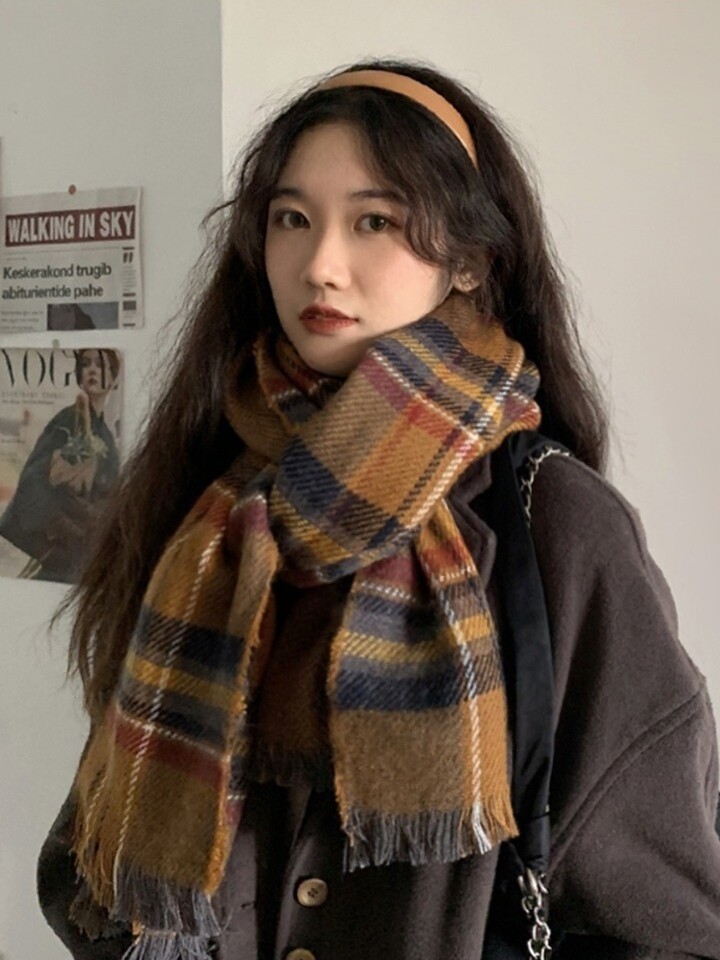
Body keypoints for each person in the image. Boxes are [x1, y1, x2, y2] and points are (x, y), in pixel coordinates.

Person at [36, 60, 720, 960]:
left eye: (375, 221)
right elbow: (87, 868)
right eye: (291, 219)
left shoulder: (556, 522)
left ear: (470, 261)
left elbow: (671, 922)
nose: (321, 264)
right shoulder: (206, 505)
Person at [0, 348, 120, 582]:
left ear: (113, 378)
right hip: (39, 537)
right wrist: (66, 528)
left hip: (77, 541)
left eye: (100, 365)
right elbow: (32, 480)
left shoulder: (105, 435)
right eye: (86, 364)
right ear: (79, 375)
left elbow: (107, 494)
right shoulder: (67, 421)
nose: (92, 370)